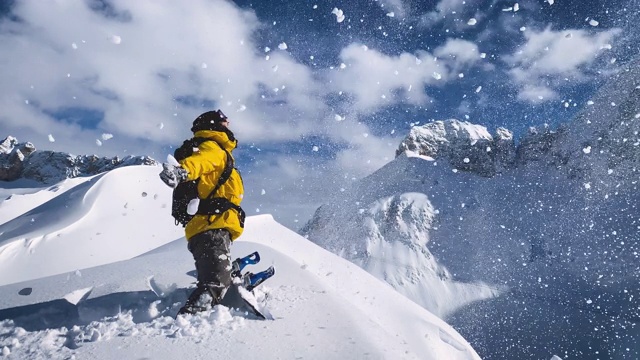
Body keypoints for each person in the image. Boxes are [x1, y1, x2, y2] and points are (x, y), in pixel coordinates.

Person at [159, 109, 245, 315]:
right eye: (225, 122)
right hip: (210, 226)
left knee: (219, 277)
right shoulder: (212, 147)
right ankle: (187, 322)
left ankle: (228, 279)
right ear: (214, 124)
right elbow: (202, 161)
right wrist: (182, 171)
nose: (228, 125)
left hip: (215, 226)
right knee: (214, 283)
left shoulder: (218, 150)